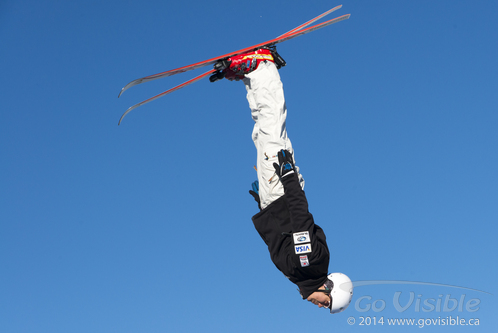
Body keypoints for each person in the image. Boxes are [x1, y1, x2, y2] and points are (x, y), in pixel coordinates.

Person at [220, 48, 353, 313]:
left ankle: (251, 76)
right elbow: (301, 217)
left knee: (261, 132)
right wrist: (288, 176)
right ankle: (263, 65)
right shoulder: (310, 264)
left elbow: (278, 237)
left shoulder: (300, 274)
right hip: (282, 188)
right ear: (330, 289)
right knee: (271, 126)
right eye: (325, 304)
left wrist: (263, 205)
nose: (318, 305)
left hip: (274, 197)